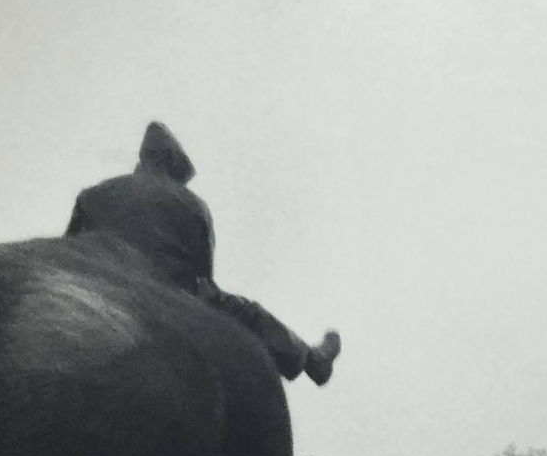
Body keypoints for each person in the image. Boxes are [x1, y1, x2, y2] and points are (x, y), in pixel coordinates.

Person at [65, 121, 341, 385]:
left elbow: (65, 254)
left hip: (96, 288)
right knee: (249, 313)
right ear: (169, 163)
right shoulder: (192, 204)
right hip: (167, 293)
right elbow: (204, 274)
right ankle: (311, 360)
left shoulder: (93, 195)